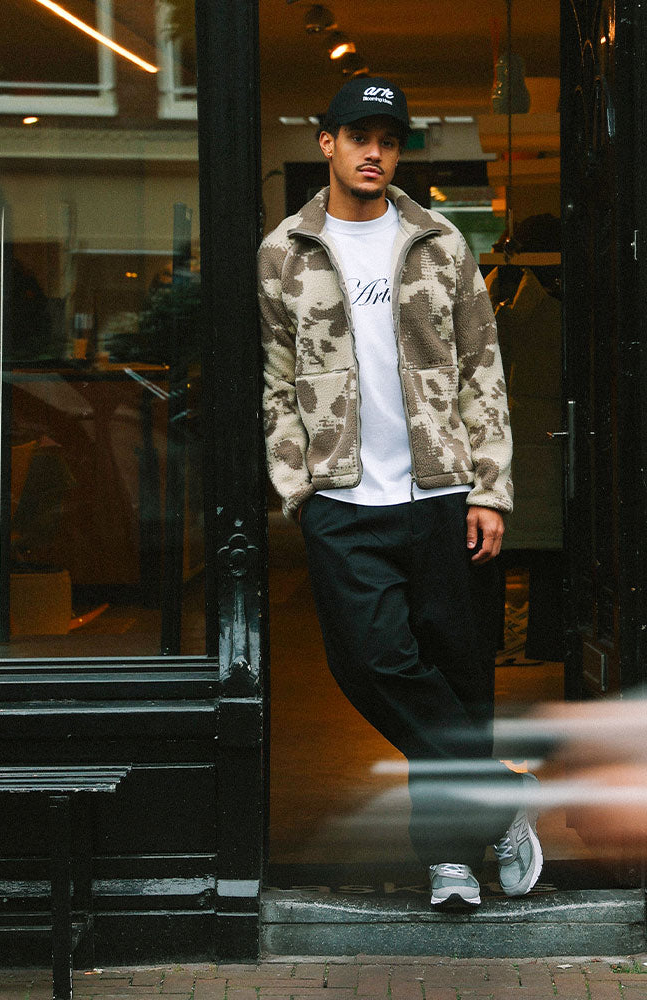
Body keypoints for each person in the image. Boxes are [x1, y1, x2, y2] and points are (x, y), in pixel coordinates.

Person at [258, 77, 542, 909]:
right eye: (359, 136)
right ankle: (502, 796)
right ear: (328, 143)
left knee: (457, 677)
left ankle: (450, 858)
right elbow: (275, 384)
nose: (374, 152)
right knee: (372, 663)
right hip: (343, 501)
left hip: (441, 495)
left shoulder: (440, 243)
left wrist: (489, 489)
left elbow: (483, 371)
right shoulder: (285, 252)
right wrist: (298, 488)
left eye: (388, 139)